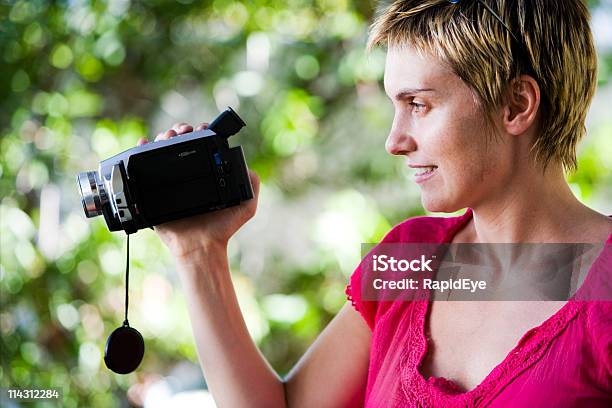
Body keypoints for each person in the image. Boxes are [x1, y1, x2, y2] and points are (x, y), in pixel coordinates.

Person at [138, 0, 612, 406]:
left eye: (419, 104)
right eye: (394, 106)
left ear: (516, 105)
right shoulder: (408, 257)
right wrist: (200, 252)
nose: (395, 140)